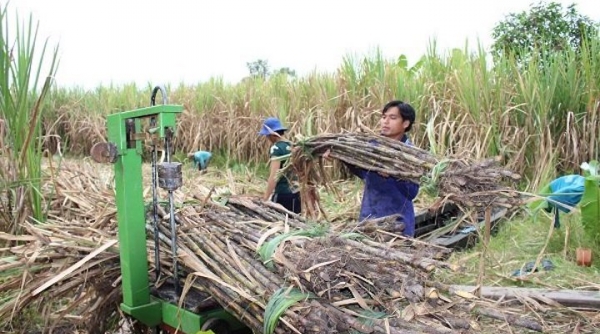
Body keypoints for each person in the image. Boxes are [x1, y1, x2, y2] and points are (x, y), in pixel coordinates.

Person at [325, 100, 420, 237]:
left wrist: (394, 175)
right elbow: (363, 174)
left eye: (392, 118)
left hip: (398, 223)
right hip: (369, 219)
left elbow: (412, 193)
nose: (385, 122)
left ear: (405, 123)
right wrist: (341, 156)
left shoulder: (411, 155)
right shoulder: (372, 147)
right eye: (383, 117)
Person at [258, 117, 301, 214]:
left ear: (272, 134)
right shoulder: (293, 146)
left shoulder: (276, 148)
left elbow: (274, 176)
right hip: (297, 194)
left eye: (267, 135)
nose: (267, 138)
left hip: (283, 194)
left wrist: (266, 197)